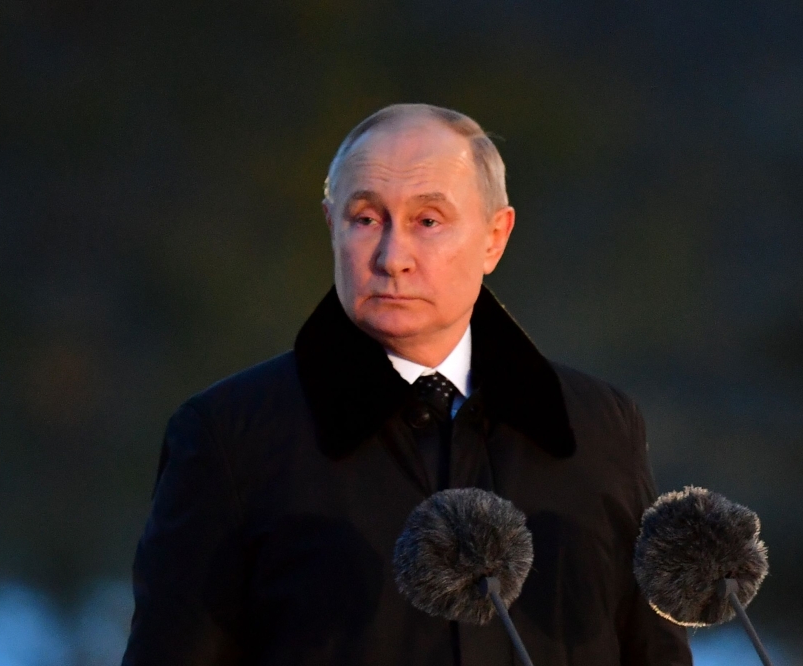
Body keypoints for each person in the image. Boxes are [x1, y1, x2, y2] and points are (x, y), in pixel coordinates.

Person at [122, 103, 693, 665]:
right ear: (331, 225)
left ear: (495, 237)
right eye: (366, 219)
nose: (393, 257)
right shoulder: (231, 436)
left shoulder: (597, 428)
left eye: (428, 221)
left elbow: (653, 651)